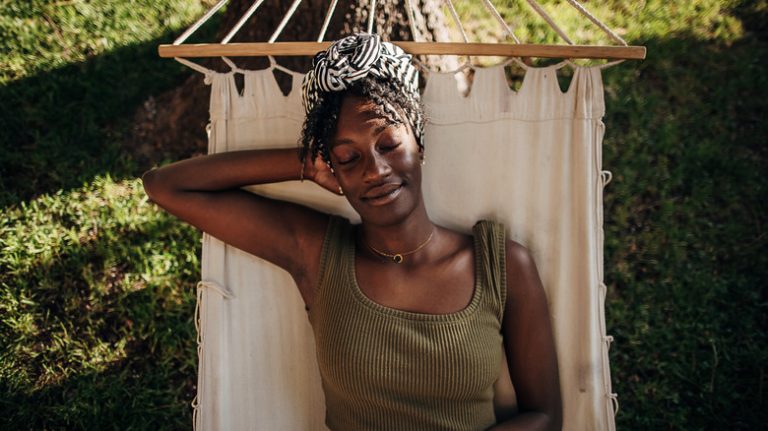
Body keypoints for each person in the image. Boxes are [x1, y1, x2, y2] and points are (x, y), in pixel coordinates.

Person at [142, 33, 562, 431]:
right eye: (348, 157)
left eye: (389, 144)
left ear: (419, 141)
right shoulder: (317, 254)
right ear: (333, 170)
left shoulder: (500, 263)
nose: (375, 171)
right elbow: (166, 186)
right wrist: (305, 164)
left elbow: (545, 416)